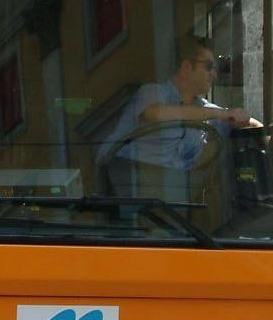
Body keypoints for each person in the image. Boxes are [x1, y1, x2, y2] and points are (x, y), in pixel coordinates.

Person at [98, 36, 259, 200]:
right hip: (127, 189)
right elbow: (156, 114)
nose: (214, 75)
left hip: (172, 199)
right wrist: (222, 114)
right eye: (209, 67)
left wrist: (252, 123)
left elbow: (250, 125)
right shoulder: (152, 92)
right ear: (187, 66)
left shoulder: (206, 110)